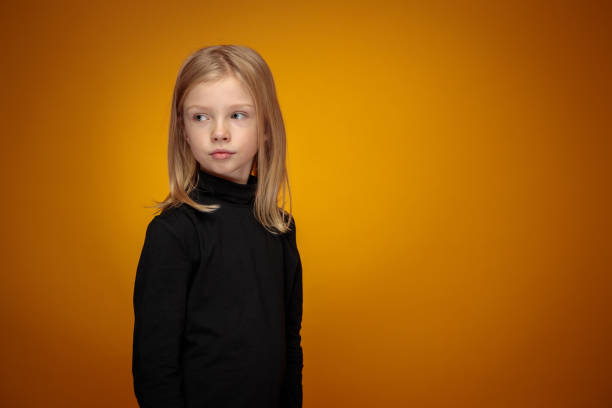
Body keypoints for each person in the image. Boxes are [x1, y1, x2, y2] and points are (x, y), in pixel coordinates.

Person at [132, 45, 303, 408]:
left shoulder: (280, 230)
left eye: (238, 115)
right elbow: (154, 367)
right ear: (182, 129)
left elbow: (289, 346)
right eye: (200, 117)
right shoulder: (174, 233)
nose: (219, 132)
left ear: (267, 127)